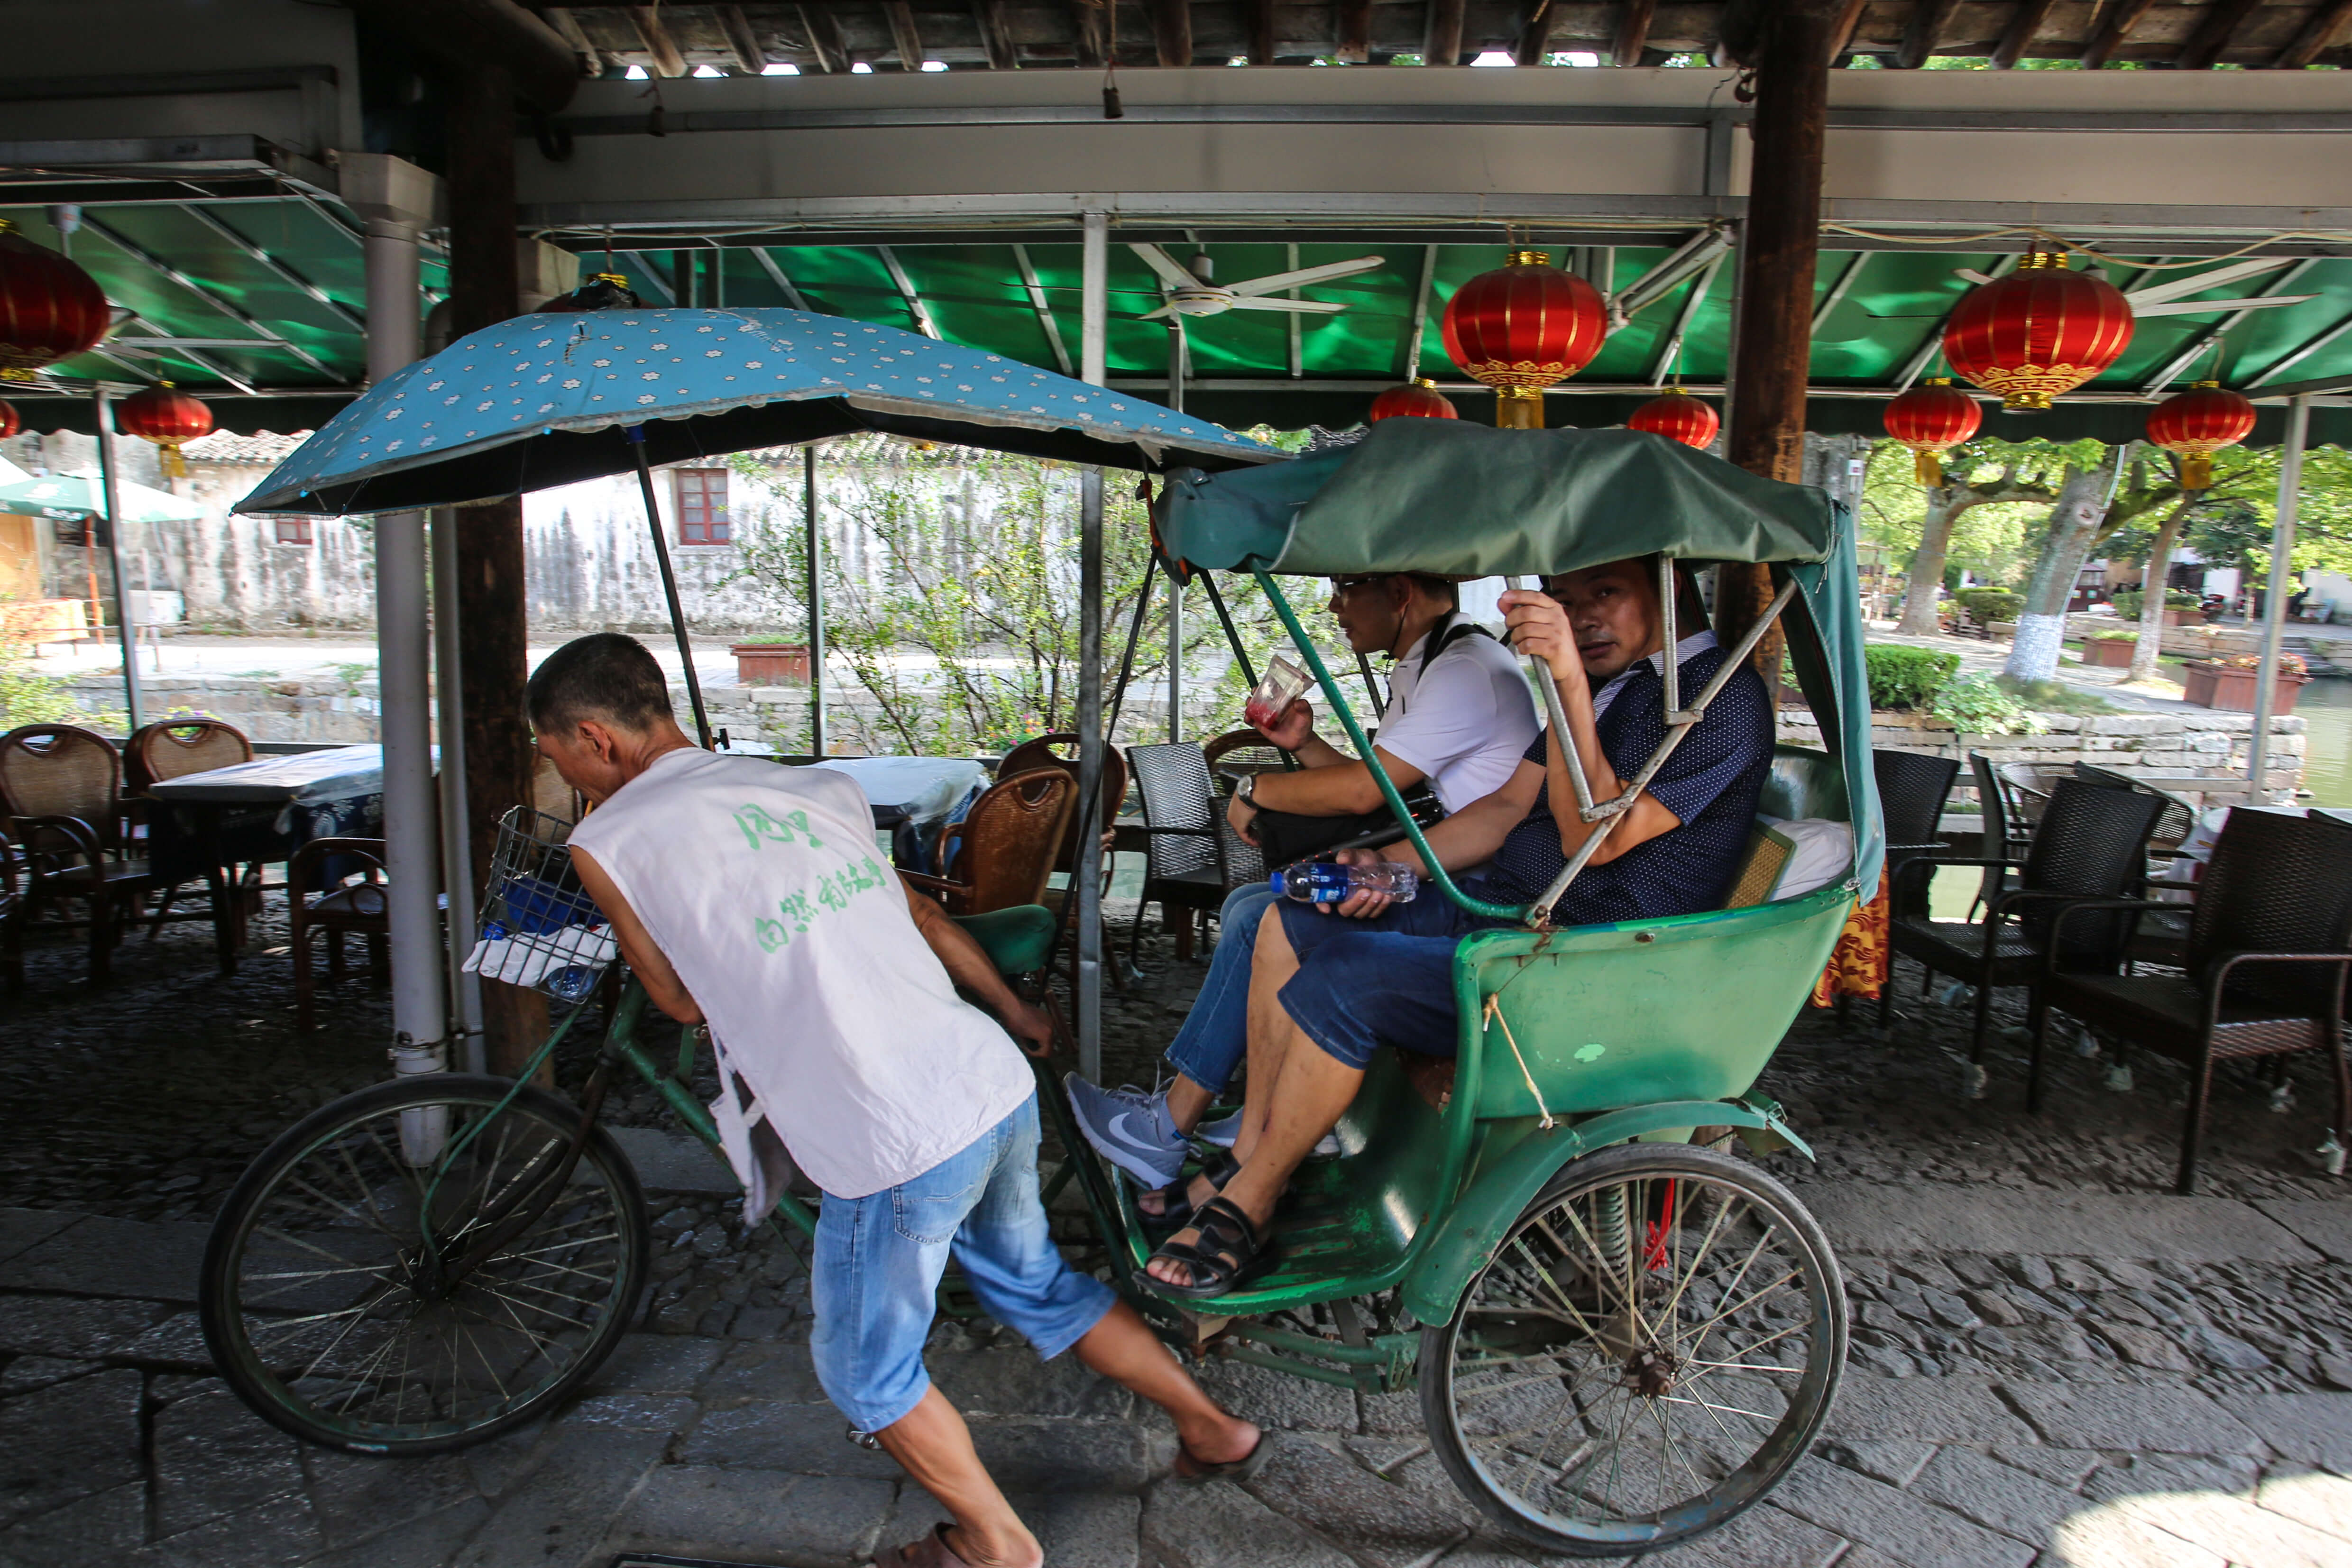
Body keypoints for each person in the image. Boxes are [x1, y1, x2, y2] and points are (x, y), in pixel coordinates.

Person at [531, 634, 1264, 1568]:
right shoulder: (811, 787)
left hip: (892, 1132)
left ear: (595, 737)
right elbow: (922, 915)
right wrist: (1014, 1008)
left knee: (862, 1374)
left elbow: (675, 999)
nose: (570, 786)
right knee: (1036, 1286)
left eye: (561, 765)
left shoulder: (609, 838)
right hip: (987, 1083)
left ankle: (997, 1543)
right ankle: (1210, 1426)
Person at [1138, 557, 1777, 1298]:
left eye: (1605, 594)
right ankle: (1248, 1161)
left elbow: (1592, 838)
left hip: (1588, 960)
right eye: (1566, 603)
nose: (1582, 619)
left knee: (1344, 979)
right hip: (1510, 910)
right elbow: (1507, 809)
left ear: (1671, 587)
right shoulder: (1617, 687)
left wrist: (1566, 680)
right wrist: (1391, 868)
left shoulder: (1719, 700)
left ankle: (1252, 1203)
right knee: (1293, 916)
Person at [1067, 571, 1538, 1207]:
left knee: (1262, 915)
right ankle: (1220, 1112)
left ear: (1399, 592)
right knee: (1244, 904)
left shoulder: (1465, 670)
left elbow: (1365, 795)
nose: (1335, 605)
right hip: (1439, 867)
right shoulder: (1429, 664)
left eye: (1347, 587)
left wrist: (1252, 789)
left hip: (1467, 886)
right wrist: (1305, 745)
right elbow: (1382, 782)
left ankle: (1185, 1123)